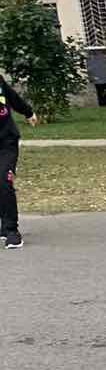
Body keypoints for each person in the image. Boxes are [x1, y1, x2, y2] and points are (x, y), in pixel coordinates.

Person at [0, 71, 39, 249]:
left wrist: (28, 112)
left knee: (3, 181)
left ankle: (11, 231)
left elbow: (12, 97)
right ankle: (4, 224)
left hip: (6, 141)